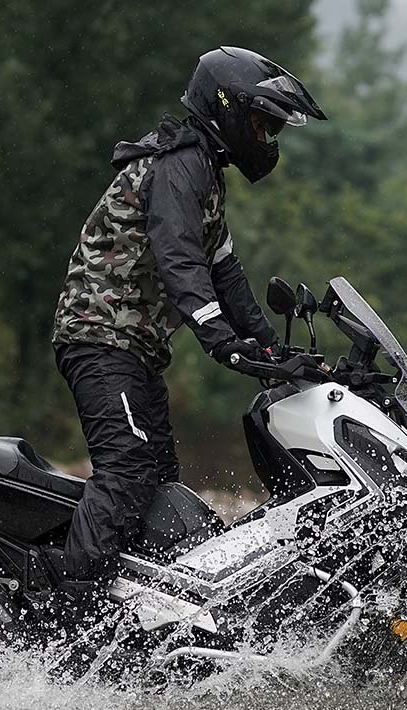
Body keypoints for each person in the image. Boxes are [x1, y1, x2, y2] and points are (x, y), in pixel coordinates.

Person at [51, 46, 327, 609]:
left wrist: (279, 353)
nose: (268, 139)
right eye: (262, 123)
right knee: (128, 473)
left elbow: (227, 277)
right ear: (225, 108)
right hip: (100, 336)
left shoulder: (204, 174)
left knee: (161, 486)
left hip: (134, 348)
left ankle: (135, 625)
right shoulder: (179, 165)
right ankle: (63, 619)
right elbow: (179, 259)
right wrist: (219, 340)